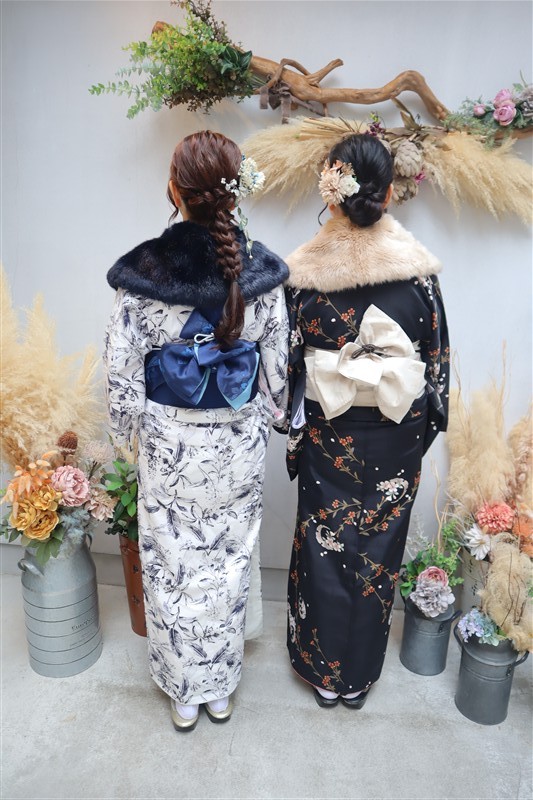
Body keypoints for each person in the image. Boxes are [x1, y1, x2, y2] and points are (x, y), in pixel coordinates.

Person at [103, 131, 289, 730]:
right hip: (236, 445)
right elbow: (278, 370)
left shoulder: (145, 274)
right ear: (234, 192)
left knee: (173, 561)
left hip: (169, 445)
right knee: (228, 561)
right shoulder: (258, 270)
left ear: (174, 190)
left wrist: (126, 434)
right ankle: (220, 688)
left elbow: (122, 372)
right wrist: (276, 415)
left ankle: (185, 692)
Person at [282, 133, 449, 709]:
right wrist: (421, 428)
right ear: (388, 193)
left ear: (330, 189)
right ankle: (357, 677)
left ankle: (323, 673)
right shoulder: (419, 275)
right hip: (396, 430)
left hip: (329, 428)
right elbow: (436, 365)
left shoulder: (303, 275)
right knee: (379, 545)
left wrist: (294, 432)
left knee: (323, 542)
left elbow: (288, 367)